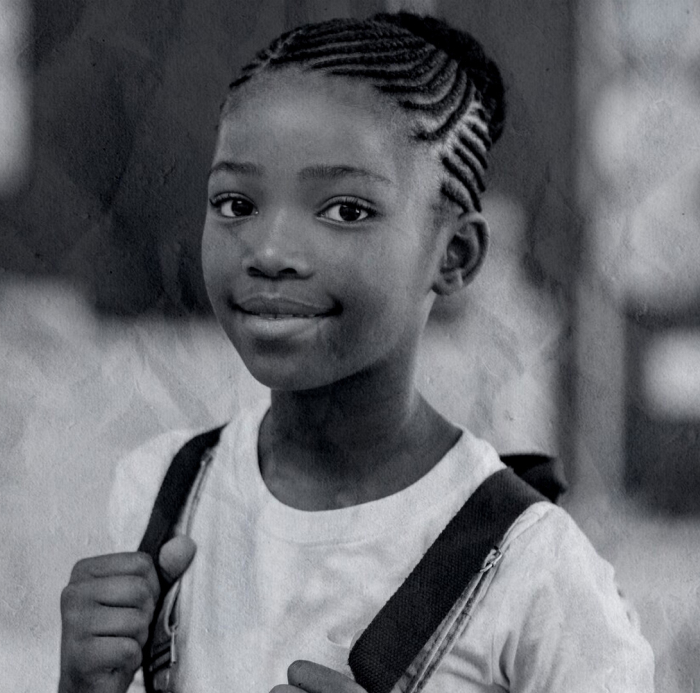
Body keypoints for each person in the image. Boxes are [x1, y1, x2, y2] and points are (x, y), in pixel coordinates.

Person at [58, 12, 655, 693]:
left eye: (345, 209)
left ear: (455, 255)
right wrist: (79, 685)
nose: (271, 251)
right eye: (234, 201)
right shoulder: (163, 495)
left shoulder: (536, 570)